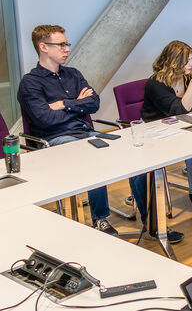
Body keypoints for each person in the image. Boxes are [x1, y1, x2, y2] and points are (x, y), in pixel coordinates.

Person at [17, 24, 131, 236]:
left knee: (133, 149)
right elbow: (45, 119)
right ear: (43, 47)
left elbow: (94, 103)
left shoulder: (73, 74)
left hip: (85, 132)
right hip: (54, 140)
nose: (67, 49)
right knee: (92, 154)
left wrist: (63, 104)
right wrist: (77, 103)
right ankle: (100, 219)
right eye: (60, 45)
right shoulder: (30, 83)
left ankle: (151, 222)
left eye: (66, 44)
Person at [140, 40, 192, 210]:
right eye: (187, 61)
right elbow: (178, 110)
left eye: (191, 59)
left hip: (182, 126)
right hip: (157, 130)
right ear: (174, 62)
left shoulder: (188, 77)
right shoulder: (156, 83)